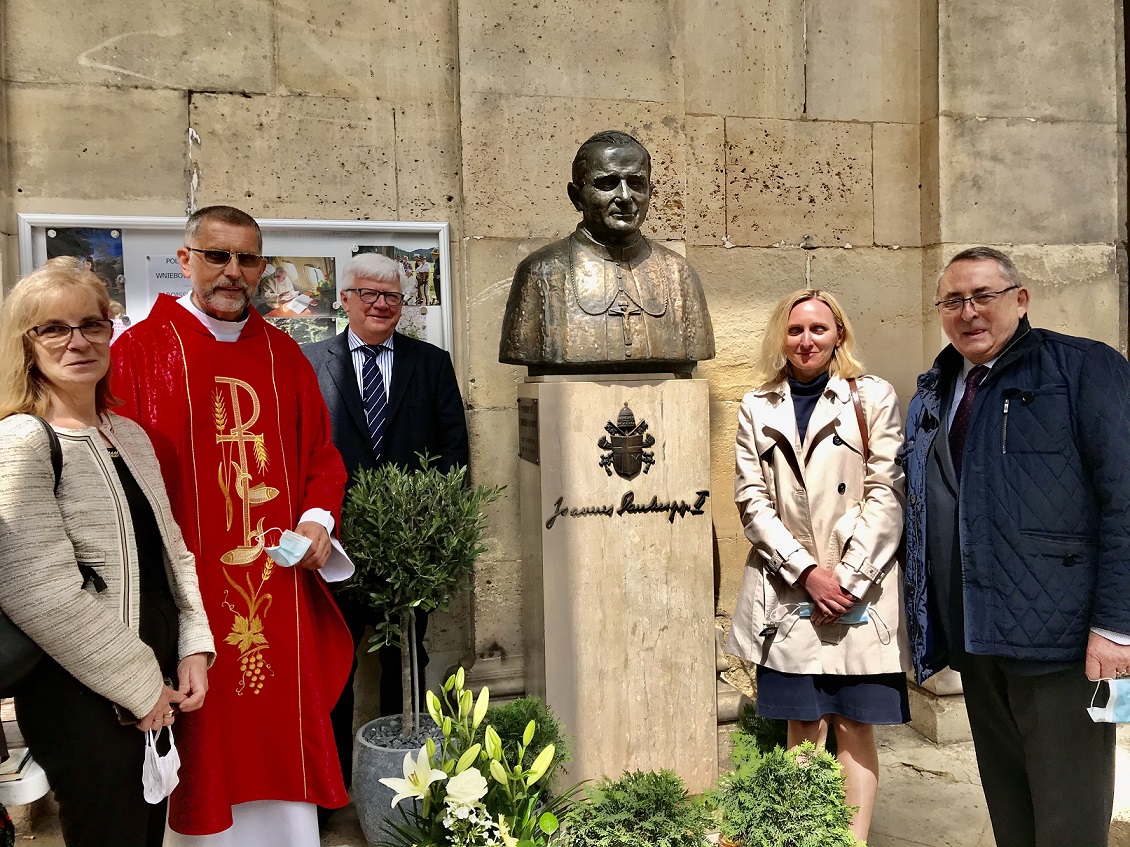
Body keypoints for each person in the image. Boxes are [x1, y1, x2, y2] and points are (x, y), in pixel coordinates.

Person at [110, 205, 354, 846]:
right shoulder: (138, 352)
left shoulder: (283, 356)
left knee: (281, 735)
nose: (232, 272)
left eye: (247, 259)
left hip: (277, 593)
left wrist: (316, 518)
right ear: (185, 259)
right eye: (217, 256)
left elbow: (321, 459)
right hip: (186, 593)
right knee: (201, 729)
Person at [903, 246, 1130, 847]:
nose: (969, 312)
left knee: (1069, 818)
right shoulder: (939, 387)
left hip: (1061, 642)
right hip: (977, 637)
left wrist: (1116, 626)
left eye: (984, 296)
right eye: (954, 300)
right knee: (1011, 810)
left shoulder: (1081, 368)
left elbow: (1126, 499)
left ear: (1020, 300)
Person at [0, 257, 214, 847]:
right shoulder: (23, 439)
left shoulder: (129, 434)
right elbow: (37, 591)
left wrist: (195, 646)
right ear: (27, 344)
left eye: (91, 324)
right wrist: (142, 686)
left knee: (146, 831)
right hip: (80, 694)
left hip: (155, 676)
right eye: (54, 328)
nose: (78, 341)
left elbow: (175, 553)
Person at [726, 289, 908, 844]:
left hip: (862, 589)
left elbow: (888, 491)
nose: (806, 340)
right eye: (795, 329)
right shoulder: (759, 404)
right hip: (789, 588)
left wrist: (847, 580)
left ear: (839, 336)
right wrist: (807, 572)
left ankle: (852, 840)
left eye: (818, 329)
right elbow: (750, 498)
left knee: (855, 725)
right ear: (781, 336)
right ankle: (805, 835)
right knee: (803, 726)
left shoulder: (871, 396)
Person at [304, 253, 469, 808]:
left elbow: (454, 451)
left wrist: (433, 526)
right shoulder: (308, 362)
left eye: (392, 296)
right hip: (332, 545)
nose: (380, 304)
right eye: (368, 294)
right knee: (333, 664)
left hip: (409, 547)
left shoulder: (432, 363)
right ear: (344, 299)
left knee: (406, 657)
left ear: (405, 304)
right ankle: (333, 792)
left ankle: (405, 789)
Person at [498, 129, 715, 374]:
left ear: (650, 193)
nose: (624, 196)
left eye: (635, 183)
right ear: (576, 196)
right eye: (608, 183)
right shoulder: (541, 271)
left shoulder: (678, 273)